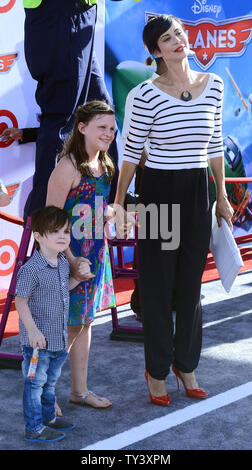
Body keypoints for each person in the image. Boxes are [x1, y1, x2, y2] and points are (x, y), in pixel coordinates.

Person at [114, 14, 234, 406]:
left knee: (191, 287)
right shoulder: (144, 94)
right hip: (157, 192)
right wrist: (118, 203)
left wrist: (222, 196)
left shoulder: (214, 85)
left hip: (198, 189)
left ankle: (187, 364)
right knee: (157, 284)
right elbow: (131, 154)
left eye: (179, 33)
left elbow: (215, 144)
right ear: (155, 52)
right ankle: (158, 369)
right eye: (168, 38)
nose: (179, 41)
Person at [46, 100, 116, 412]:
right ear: (82, 127)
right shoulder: (67, 168)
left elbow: (98, 211)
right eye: (102, 127)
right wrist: (73, 262)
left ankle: (79, 390)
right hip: (67, 259)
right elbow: (51, 221)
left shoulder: (107, 167)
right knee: (62, 326)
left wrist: (111, 213)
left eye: (113, 128)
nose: (109, 133)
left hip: (95, 257)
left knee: (85, 322)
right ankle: (45, 393)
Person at [22, 0, 118, 217]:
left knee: (103, 115)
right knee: (61, 121)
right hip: (59, 17)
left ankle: (108, 196)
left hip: (81, 18)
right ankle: (45, 213)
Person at [15, 206, 92, 442]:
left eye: (66, 232)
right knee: (35, 385)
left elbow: (62, 290)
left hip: (57, 339)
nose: (63, 237)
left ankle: (49, 419)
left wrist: (77, 279)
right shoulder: (30, 270)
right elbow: (21, 302)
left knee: (49, 383)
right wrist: (32, 331)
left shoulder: (60, 261)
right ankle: (34, 428)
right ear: (37, 236)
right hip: (37, 343)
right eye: (55, 231)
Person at [122, 57, 167, 321]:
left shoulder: (192, 89)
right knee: (153, 242)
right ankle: (143, 304)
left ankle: (169, 299)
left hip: (183, 179)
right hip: (152, 177)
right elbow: (131, 140)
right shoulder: (139, 93)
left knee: (174, 244)